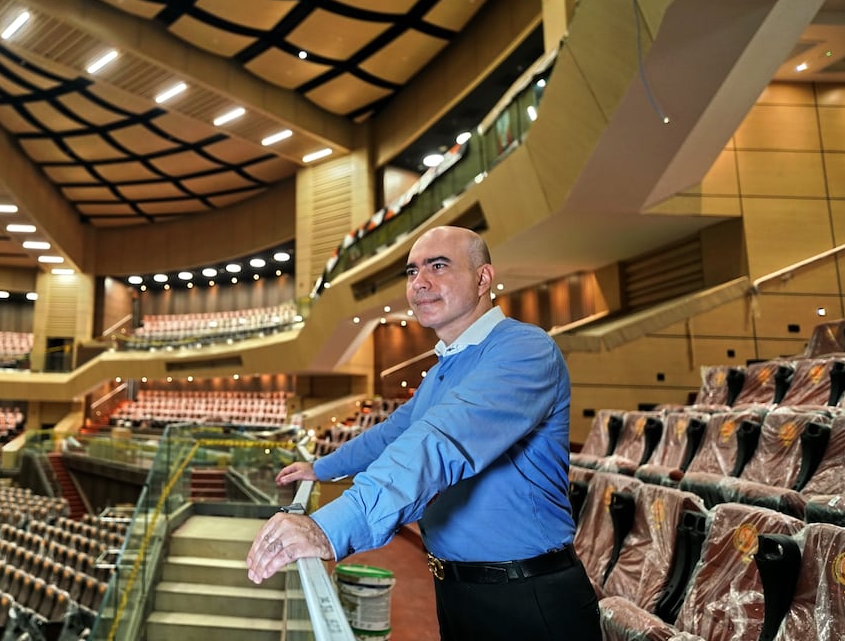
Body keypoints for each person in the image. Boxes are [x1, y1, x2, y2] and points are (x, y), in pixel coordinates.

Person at [246, 225, 599, 641]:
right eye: (412, 271)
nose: (420, 283)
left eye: (438, 266)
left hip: (528, 598)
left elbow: (439, 441)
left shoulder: (525, 349)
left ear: (483, 279)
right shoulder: (442, 371)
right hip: (458, 591)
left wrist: (334, 526)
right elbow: (392, 433)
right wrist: (320, 468)